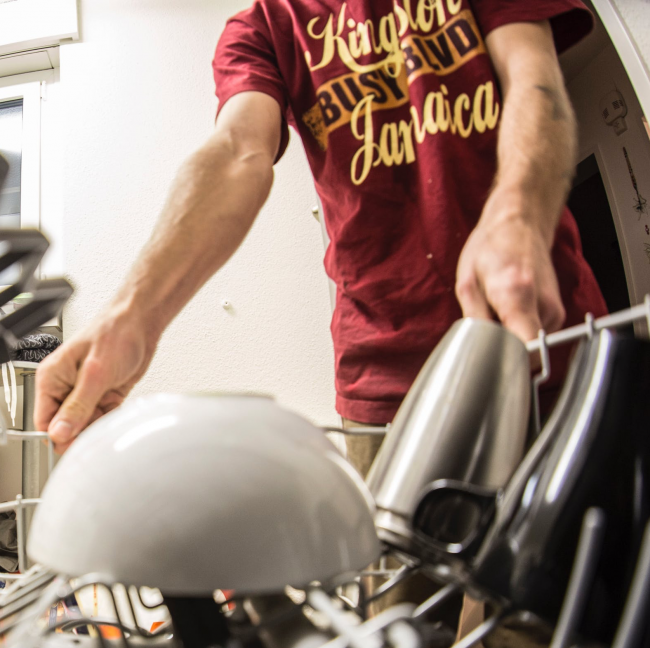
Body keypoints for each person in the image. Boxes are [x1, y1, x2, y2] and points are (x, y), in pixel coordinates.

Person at [34, 0, 606, 461]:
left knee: (561, 589)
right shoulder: (262, 27)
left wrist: (516, 213)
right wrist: (133, 315)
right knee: (398, 602)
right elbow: (237, 153)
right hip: (382, 372)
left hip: (540, 332)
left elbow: (536, 80)